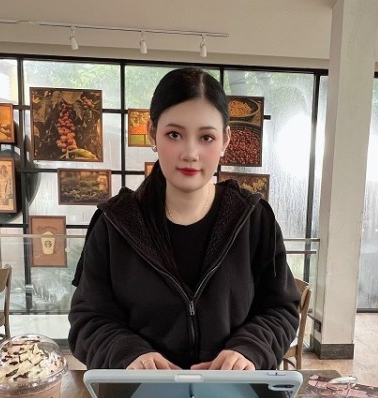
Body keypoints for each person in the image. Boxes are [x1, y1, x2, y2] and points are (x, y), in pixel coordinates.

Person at [68, 67, 299, 370]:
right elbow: (88, 320)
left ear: (225, 140)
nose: (190, 153)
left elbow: (280, 309)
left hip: (230, 392)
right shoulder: (114, 223)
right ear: (152, 133)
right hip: (143, 392)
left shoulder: (254, 220)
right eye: (174, 134)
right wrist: (128, 355)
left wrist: (249, 350)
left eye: (206, 137)